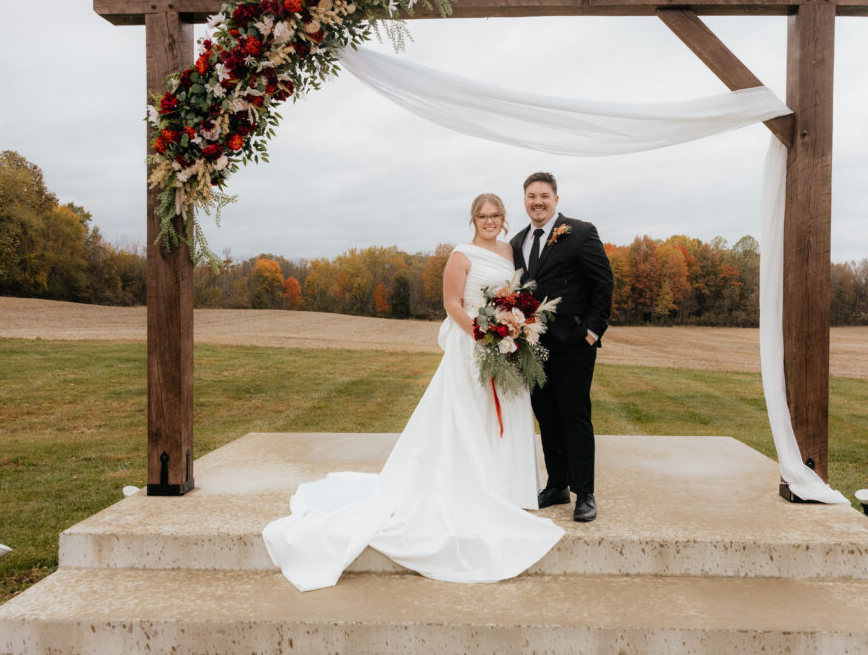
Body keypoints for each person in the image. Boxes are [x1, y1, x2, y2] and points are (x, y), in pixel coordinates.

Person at [263, 193, 563, 592]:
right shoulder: (460, 255)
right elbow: (452, 303)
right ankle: (472, 484)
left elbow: (513, 294)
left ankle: (504, 487)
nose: (489, 221)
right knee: (468, 414)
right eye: (482, 216)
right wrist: (483, 334)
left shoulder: (510, 250)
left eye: (495, 216)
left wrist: (511, 326)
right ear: (473, 219)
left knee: (504, 414)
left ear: (504, 219)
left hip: (505, 347)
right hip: (472, 345)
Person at [510, 172, 614, 523]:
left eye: (544, 195)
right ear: (524, 200)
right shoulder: (516, 242)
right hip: (533, 347)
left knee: (574, 415)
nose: (537, 201)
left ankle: (585, 493)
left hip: (573, 344)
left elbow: (604, 283)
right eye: (531, 195)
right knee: (547, 417)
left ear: (556, 199)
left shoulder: (581, 232)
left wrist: (592, 331)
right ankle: (557, 485)